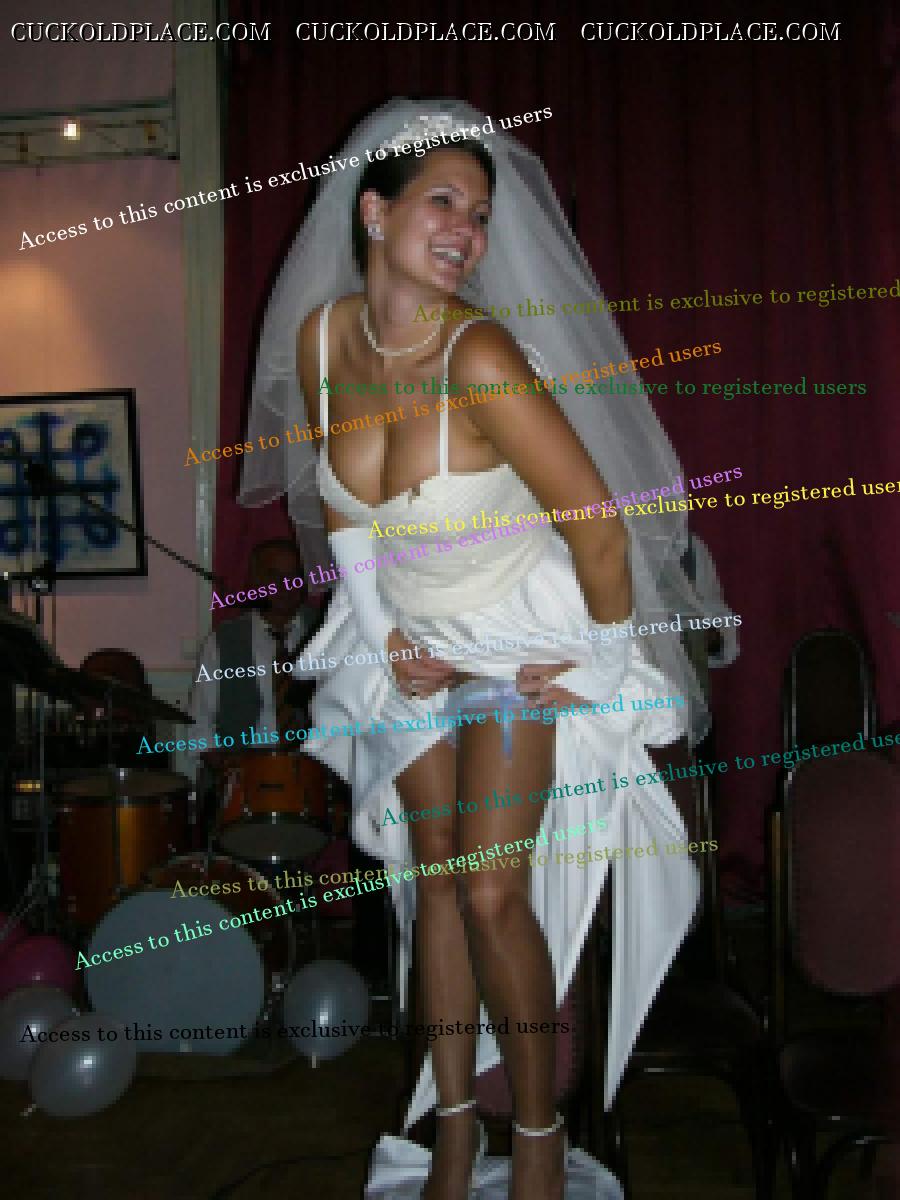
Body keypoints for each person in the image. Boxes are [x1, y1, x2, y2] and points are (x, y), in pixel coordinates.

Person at [240, 99, 712, 1200]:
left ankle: (538, 1134)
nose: (468, 230)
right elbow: (345, 512)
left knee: (494, 893)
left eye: (483, 212)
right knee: (436, 885)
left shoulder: (482, 353)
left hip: (520, 630)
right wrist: (384, 633)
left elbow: (600, 527)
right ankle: (452, 1129)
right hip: (406, 636)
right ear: (374, 211)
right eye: (444, 201)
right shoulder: (324, 341)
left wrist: (599, 666)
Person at [190, 538, 321, 757]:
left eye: (294, 576)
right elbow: (200, 724)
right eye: (275, 576)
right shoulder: (223, 642)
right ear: (255, 581)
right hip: (245, 763)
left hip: (313, 762)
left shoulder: (325, 631)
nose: (287, 586)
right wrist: (225, 766)